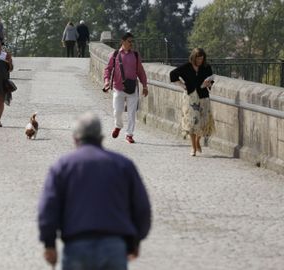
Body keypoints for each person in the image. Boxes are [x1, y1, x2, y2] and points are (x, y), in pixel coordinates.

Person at [38, 112, 151, 270]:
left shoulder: (63, 166)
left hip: (76, 247)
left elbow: (48, 208)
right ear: (101, 137)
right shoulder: (123, 165)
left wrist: (49, 244)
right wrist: (136, 240)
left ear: (75, 138)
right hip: (114, 248)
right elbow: (142, 208)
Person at [103, 32, 148, 144]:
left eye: (132, 41)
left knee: (132, 113)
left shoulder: (136, 55)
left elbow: (140, 71)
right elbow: (108, 69)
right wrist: (107, 81)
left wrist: (145, 85)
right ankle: (118, 126)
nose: (131, 43)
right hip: (118, 87)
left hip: (132, 88)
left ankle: (129, 134)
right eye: (129, 41)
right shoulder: (115, 54)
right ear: (122, 42)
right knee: (117, 111)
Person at [170, 48, 215, 156]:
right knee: (191, 122)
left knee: (203, 121)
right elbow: (173, 74)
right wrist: (182, 85)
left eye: (202, 59)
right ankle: (193, 147)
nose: (200, 61)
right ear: (193, 58)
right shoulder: (186, 67)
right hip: (190, 97)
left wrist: (209, 83)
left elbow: (211, 80)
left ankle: (197, 141)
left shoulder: (206, 67)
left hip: (203, 96)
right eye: (198, 59)